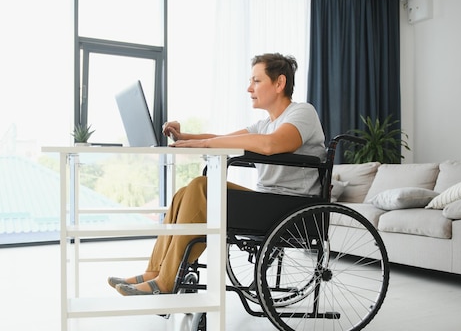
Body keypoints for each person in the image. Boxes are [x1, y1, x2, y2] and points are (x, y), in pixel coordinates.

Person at [108, 53, 326, 296]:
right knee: (186, 193)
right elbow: (220, 138)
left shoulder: (303, 113)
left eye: (256, 81)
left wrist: (204, 146)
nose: (249, 88)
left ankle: (166, 281)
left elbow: (271, 145)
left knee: (202, 186)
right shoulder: (263, 125)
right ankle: (155, 272)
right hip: (270, 203)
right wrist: (183, 137)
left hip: (294, 209)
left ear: (279, 83)